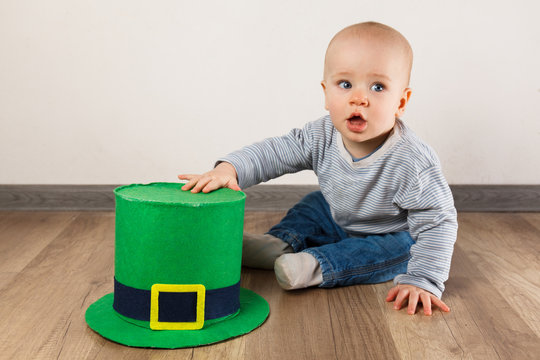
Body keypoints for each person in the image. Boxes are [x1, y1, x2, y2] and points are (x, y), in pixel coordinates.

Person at [178, 21, 457, 316]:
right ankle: (279, 242)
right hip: (339, 214)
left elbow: (438, 222)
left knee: (387, 251)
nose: (358, 98)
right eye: (345, 84)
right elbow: (275, 152)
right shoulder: (320, 135)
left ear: (401, 101)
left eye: (378, 87)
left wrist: (424, 280)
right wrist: (230, 168)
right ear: (326, 93)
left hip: (392, 232)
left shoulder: (413, 160)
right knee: (314, 204)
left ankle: (315, 265)